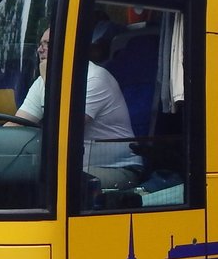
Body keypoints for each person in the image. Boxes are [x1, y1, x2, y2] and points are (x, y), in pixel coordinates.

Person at [13, 25, 143, 190]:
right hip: (72, 169)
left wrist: (47, 81)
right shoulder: (42, 82)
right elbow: (17, 124)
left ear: (67, 46)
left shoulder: (93, 78)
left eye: (47, 44)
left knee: (49, 185)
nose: (39, 50)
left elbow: (63, 128)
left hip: (118, 170)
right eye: (40, 44)